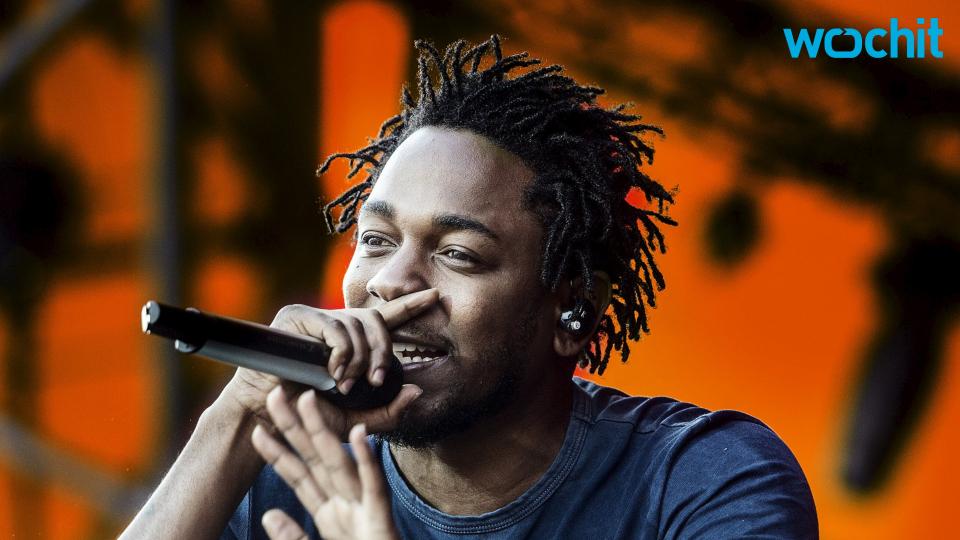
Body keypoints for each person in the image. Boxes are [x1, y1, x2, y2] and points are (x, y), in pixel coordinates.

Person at [121, 36, 818, 540]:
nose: (390, 282)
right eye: (376, 240)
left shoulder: (703, 478)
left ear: (574, 309)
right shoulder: (287, 470)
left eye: (458, 254)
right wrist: (234, 421)